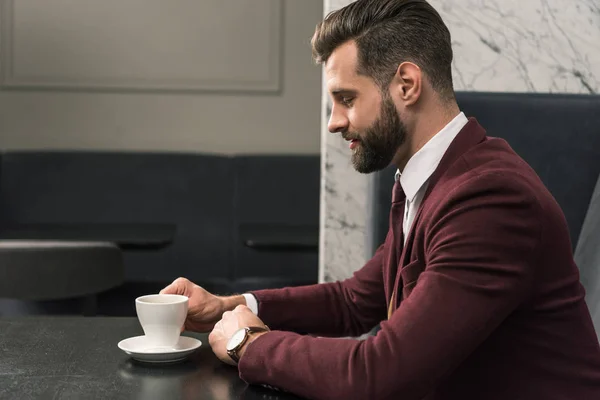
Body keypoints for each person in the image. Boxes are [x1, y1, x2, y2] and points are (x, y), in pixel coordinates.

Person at [161, 0, 600, 398]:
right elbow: (355, 301)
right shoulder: (428, 179)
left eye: (346, 99)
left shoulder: (490, 200)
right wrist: (231, 306)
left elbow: (382, 373)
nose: (334, 123)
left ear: (406, 84)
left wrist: (249, 344)